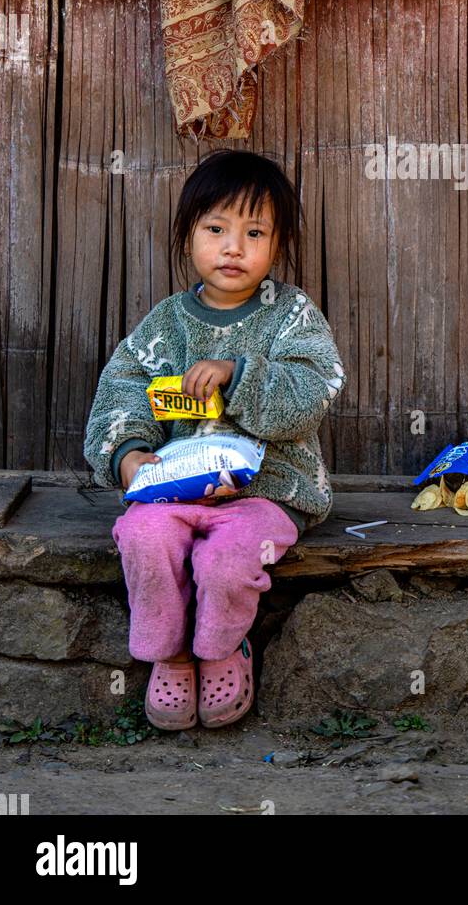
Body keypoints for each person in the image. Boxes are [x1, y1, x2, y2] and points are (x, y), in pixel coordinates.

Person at [83, 150, 346, 729]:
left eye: (254, 232)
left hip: (267, 494)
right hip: (171, 493)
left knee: (229, 560)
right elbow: (123, 389)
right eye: (216, 229)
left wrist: (239, 373)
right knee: (142, 537)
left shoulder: (292, 317)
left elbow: (313, 389)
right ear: (188, 238)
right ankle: (170, 654)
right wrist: (127, 455)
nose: (234, 247)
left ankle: (223, 649)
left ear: (277, 246)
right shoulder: (165, 323)